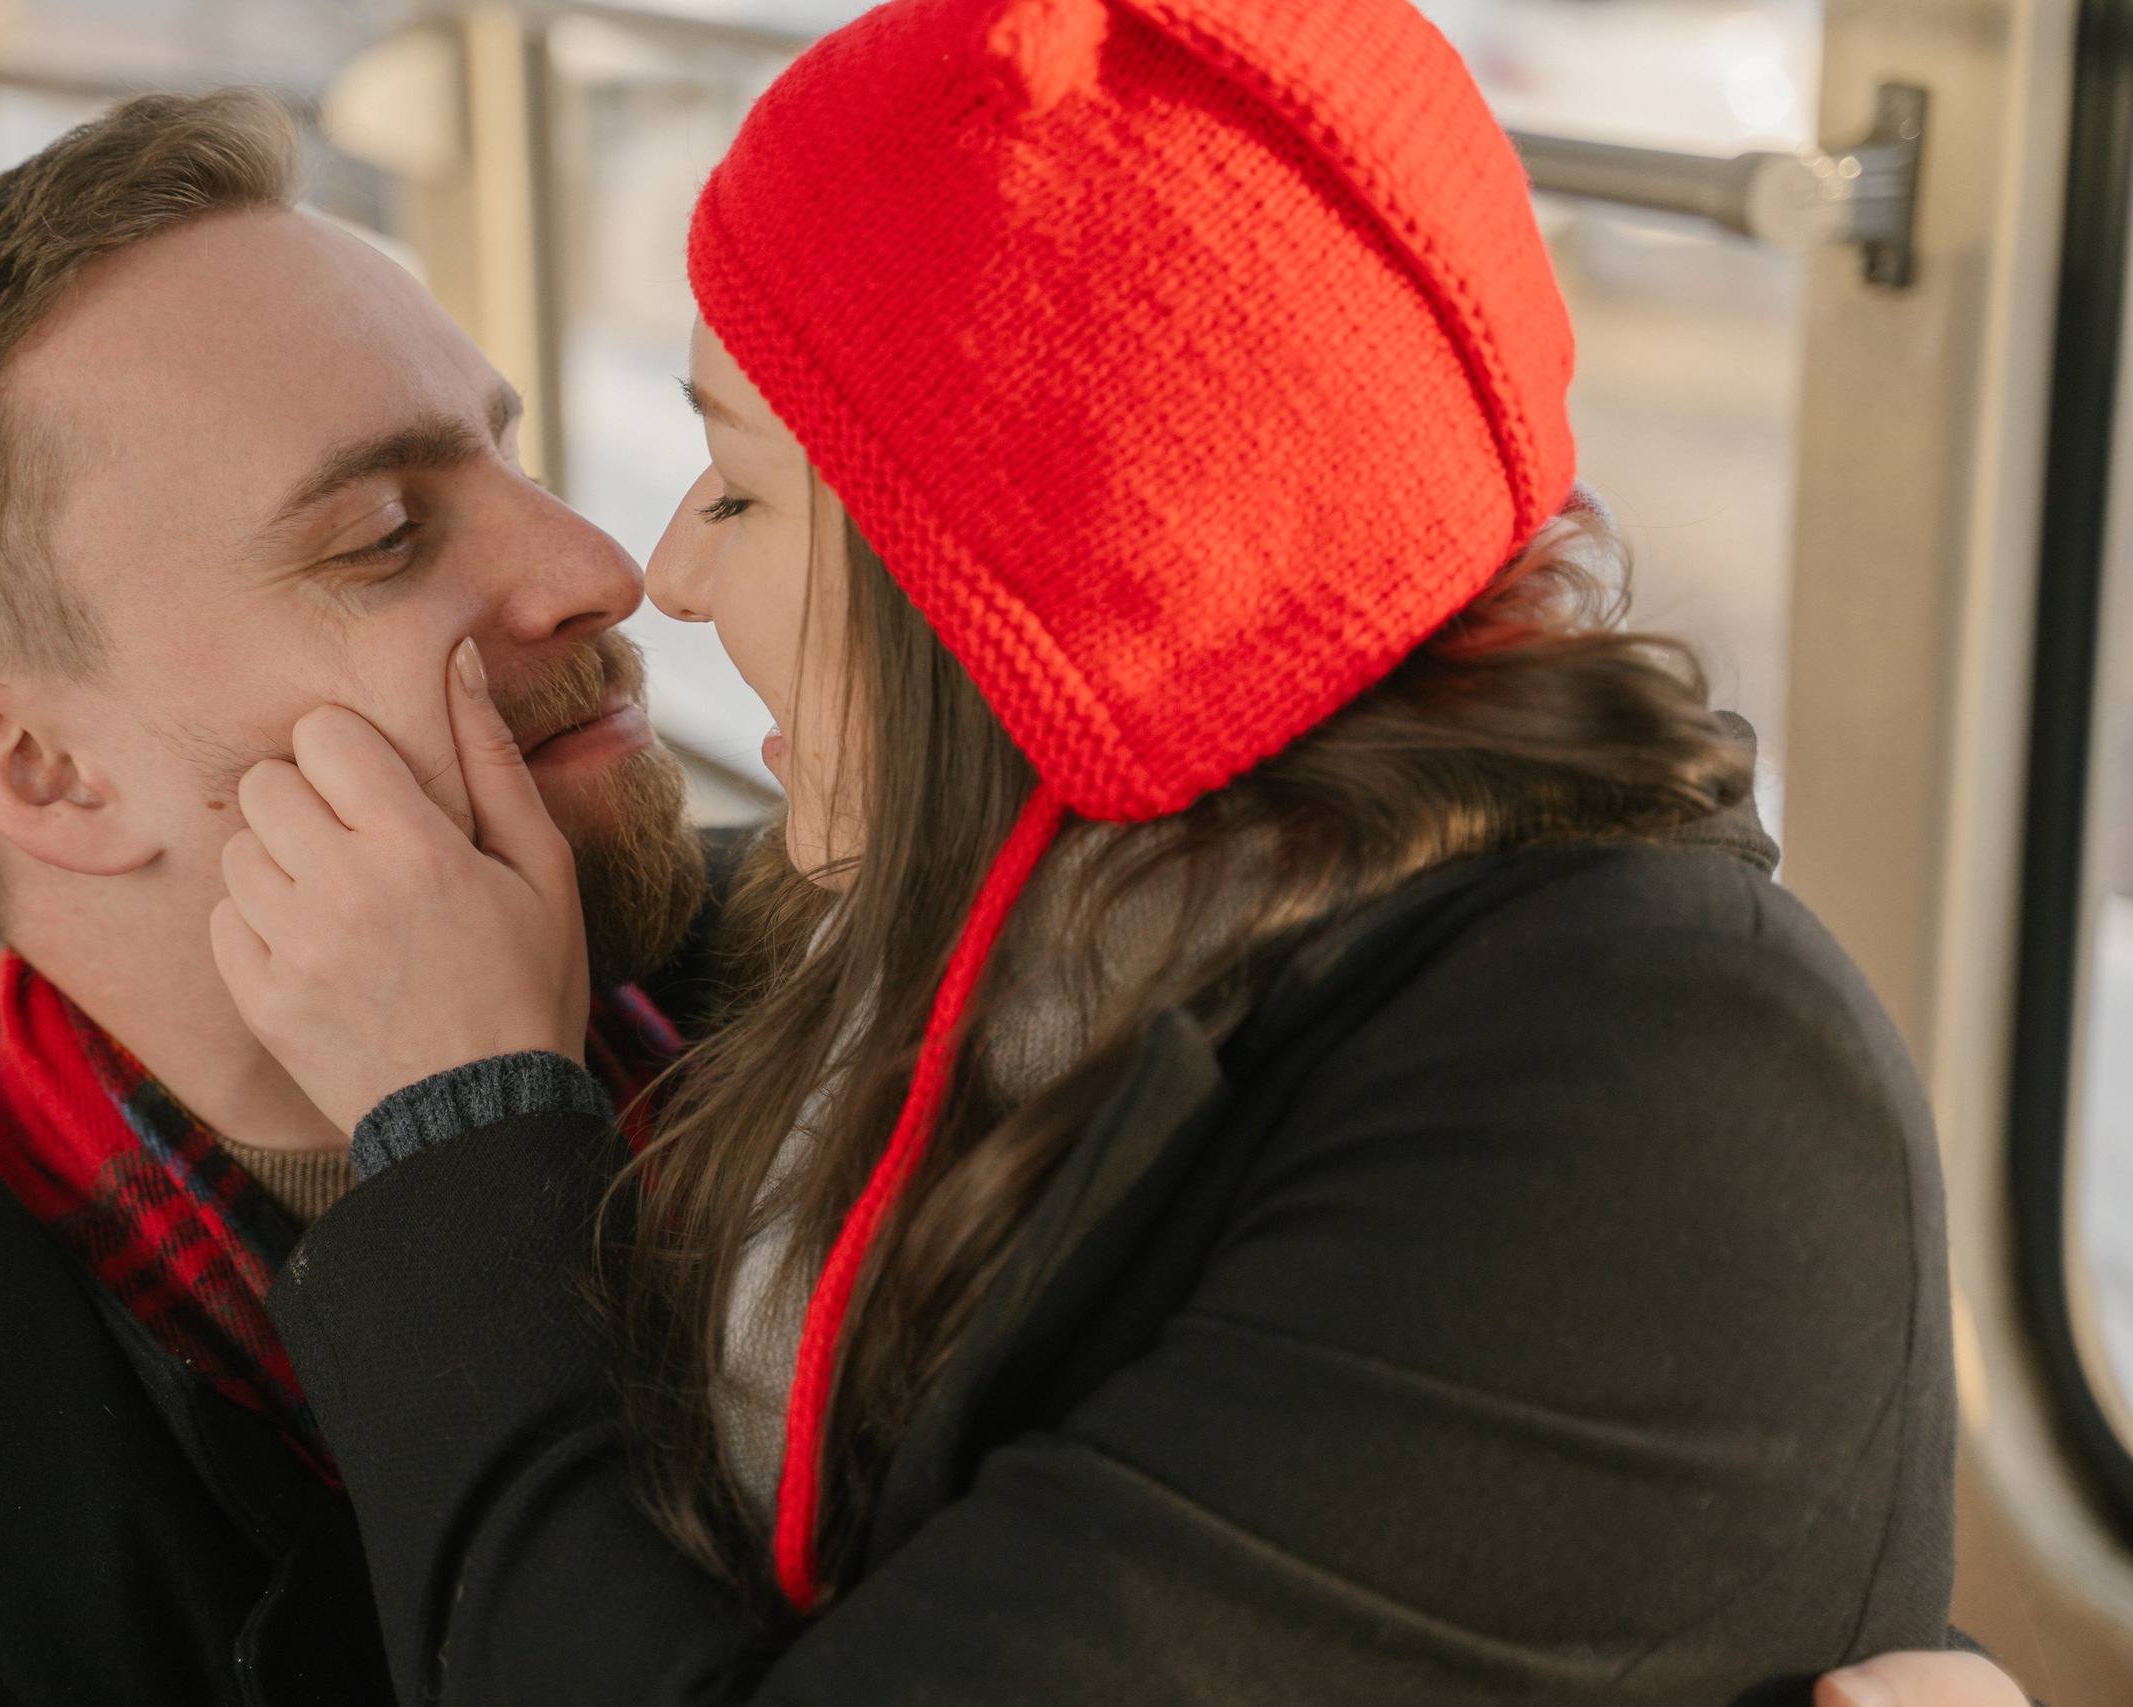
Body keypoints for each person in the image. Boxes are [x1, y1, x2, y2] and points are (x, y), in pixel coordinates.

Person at [209, 2, 2026, 1703]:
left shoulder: (1644, 1097)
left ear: (1027, 589)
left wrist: (456, 1124)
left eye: (746, 487)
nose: (663, 573)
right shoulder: (997, 939)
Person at [0, 91, 714, 1704]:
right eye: (385, 535)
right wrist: (476, 1155)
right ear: (45, 774)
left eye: (507, 451)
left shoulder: (875, 966)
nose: (600, 563)